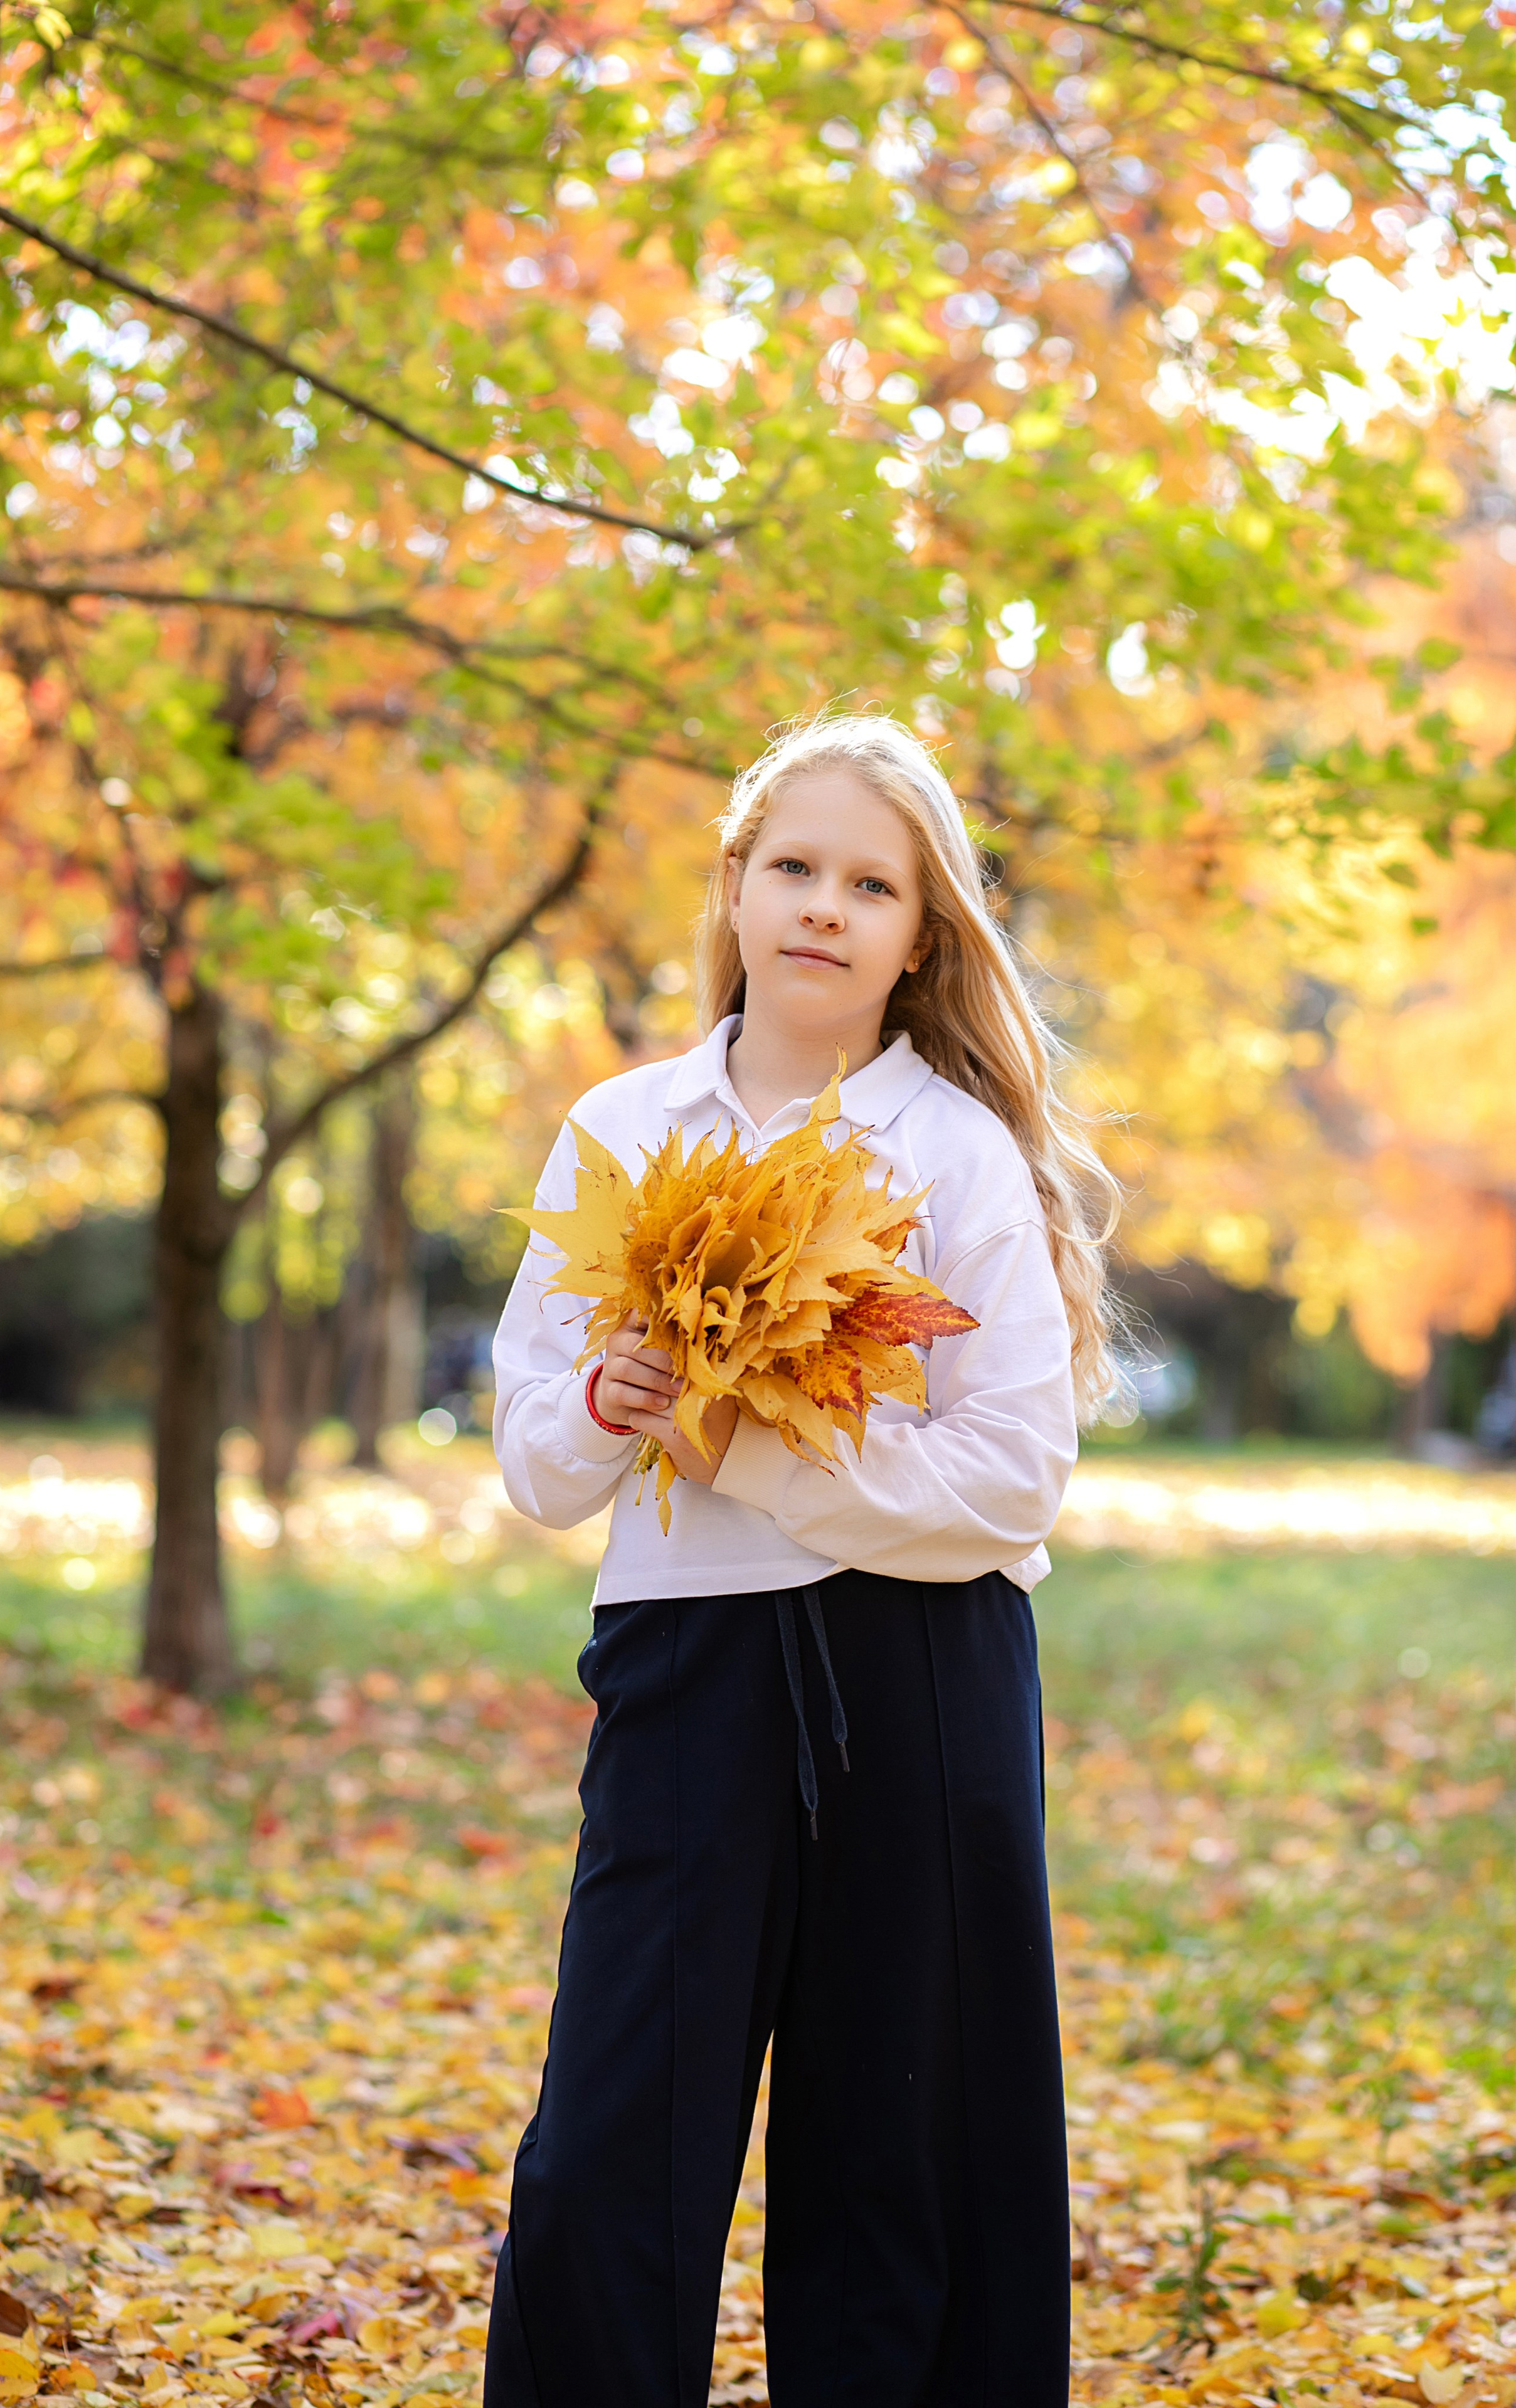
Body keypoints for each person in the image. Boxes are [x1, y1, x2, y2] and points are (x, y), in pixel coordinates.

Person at [487, 713, 1118, 2407]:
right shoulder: (623, 1129)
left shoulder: (959, 1152)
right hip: (687, 1673)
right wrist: (621, 1404)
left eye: (871, 884)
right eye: (795, 868)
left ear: (924, 936)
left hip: (922, 1682)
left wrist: (758, 1444)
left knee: (902, 2148)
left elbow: (1013, 1482)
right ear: (738, 889)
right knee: (620, 2128)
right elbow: (537, 1460)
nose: (825, 907)